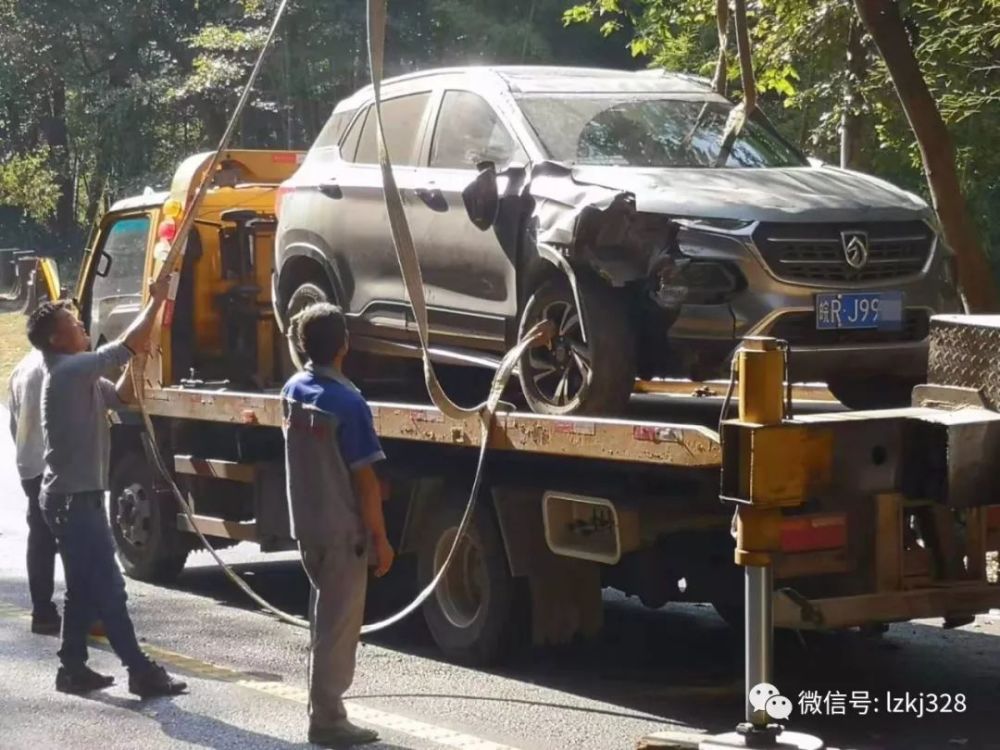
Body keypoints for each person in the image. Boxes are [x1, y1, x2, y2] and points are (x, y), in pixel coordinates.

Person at [28, 283, 187, 698]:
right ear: (54, 339)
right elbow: (122, 347)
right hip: (72, 502)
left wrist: (138, 360)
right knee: (109, 587)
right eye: (74, 324)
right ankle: (139, 669)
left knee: (83, 586)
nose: (82, 327)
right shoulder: (66, 371)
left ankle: (73, 668)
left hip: (76, 498)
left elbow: (121, 397)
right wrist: (154, 301)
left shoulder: (79, 374)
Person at [281, 303, 394, 748]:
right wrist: (380, 539)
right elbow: (365, 482)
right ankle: (327, 719)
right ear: (345, 344)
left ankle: (322, 709)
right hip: (342, 531)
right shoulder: (349, 403)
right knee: (337, 628)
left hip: (307, 526)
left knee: (322, 621)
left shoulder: (292, 390)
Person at [8, 348, 60, 635]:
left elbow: (14, 423)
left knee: (41, 537)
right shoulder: (58, 368)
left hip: (31, 465)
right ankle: (87, 613)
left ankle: (42, 609)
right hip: (58, 468)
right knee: (78, 542)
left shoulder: (22, 367)